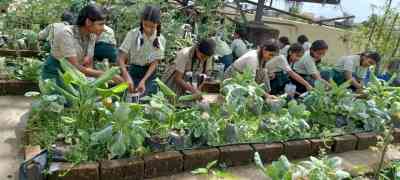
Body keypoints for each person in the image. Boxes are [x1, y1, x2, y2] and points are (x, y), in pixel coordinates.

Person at [41, 4, 124, 86]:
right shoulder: (66, 33)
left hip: (75, 74)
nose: (103, 28)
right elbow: (74, 66)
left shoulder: (92, 35)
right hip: (55, 74)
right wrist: (108, 75)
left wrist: (92, 81)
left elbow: (88, 64)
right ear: (88, 22)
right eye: (100, 24)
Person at [118, 5, 166, 95]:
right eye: (145, 25)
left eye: (152, 27)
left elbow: (154, 63)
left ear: (158, 24)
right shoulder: (132, 34)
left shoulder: (161, 40)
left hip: (149, 75)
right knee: (127, 99)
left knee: (145, 101)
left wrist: (144, 81)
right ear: (141, 22)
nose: (148, 29)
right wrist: (126, 76)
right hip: (133, 72)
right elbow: (121, 57)